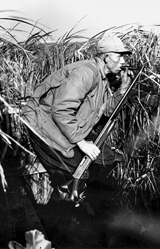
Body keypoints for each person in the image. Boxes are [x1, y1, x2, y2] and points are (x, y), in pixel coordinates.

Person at [22, 34, 133, 204]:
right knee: (72, 174)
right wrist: (81, 142)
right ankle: (60, 219)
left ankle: (67, 213)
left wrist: (123, 88)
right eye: (119, 56)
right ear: (106, 57)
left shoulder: (101, 78)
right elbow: (61, 110)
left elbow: (105, 110)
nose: (123, 61)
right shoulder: (86, 73)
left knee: (100, 160)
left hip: (60, 126)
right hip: (42, 127)